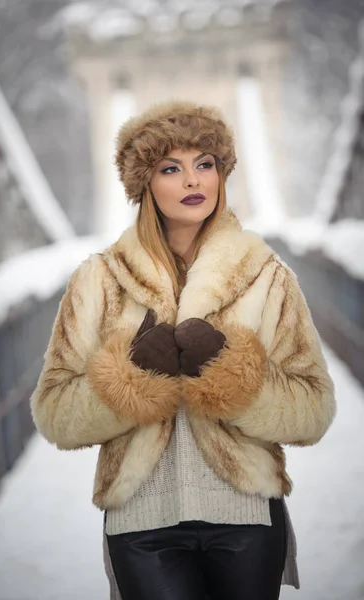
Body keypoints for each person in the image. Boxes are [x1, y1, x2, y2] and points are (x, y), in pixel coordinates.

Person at [31, 101, 336, 600]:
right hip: (140, 524)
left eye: (205, 164)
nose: (193, 180)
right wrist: (130, 374)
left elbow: (314, 409)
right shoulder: (99, 280)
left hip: (246, 518)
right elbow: (54, 413)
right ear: (145, 184)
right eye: (171, 168)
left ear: (220, 173)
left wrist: (228, 372)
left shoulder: (268, 276)